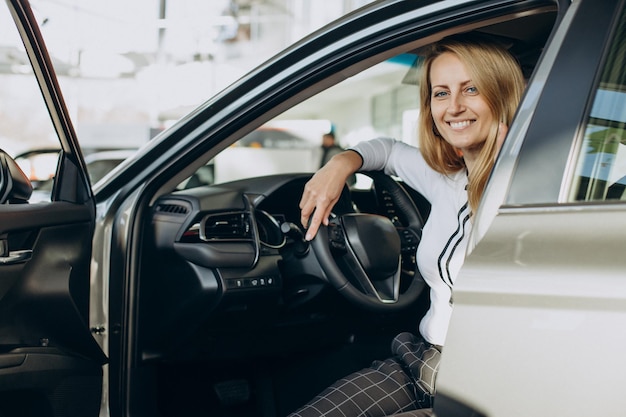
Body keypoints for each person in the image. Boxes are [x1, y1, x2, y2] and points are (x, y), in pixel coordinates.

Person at [289, 33, 526, 417]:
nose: (454, 107)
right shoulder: (447, 178)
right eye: (441, 93)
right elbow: (388, 152)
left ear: (502, 95)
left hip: (485, 380)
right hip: (424, 361)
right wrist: (339, 165)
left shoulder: (530, 185)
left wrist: (500, 174)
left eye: (472, 89)